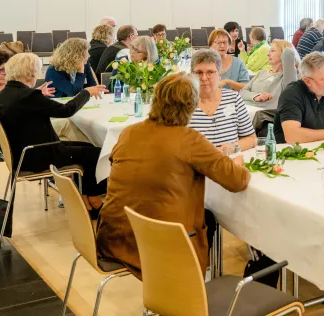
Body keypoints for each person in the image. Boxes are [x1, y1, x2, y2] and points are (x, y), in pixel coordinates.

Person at [96, 73, 250, 278]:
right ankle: (192, 287)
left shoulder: (129, 132)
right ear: (192, 106)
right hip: (158, 243)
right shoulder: (189, 141)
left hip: (113, 237)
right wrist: (238, 163)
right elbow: (237, 180)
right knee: (208, 218)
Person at [0, 53, 107, 213]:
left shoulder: (5, 94)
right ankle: (94, 199)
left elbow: (26, 106)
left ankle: (85, 198)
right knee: (96, 153)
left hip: (21, 154)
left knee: (86, 147)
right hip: (39, 155)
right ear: (31, 73)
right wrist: (86, 92)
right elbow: (66, 110)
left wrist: (37, 94)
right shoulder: (28, 97)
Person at [189, 50, 256, 153]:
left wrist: (234, 147)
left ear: (220, 75)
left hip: (229, 163)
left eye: (210, 72)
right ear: (191, 75)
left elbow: (251, 138)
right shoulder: (183, 103)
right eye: (199, 72)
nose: (204, 78)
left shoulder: (233, 99)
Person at [240, 40, 298, 109]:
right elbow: (242, 92)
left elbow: (288, 53)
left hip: (261, 115)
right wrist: (256, 96)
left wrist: (285, 46)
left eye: (272, 51)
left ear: (283, 54)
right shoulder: (261, 73)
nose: (268, 54)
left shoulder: (286, 78)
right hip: (244, 108)